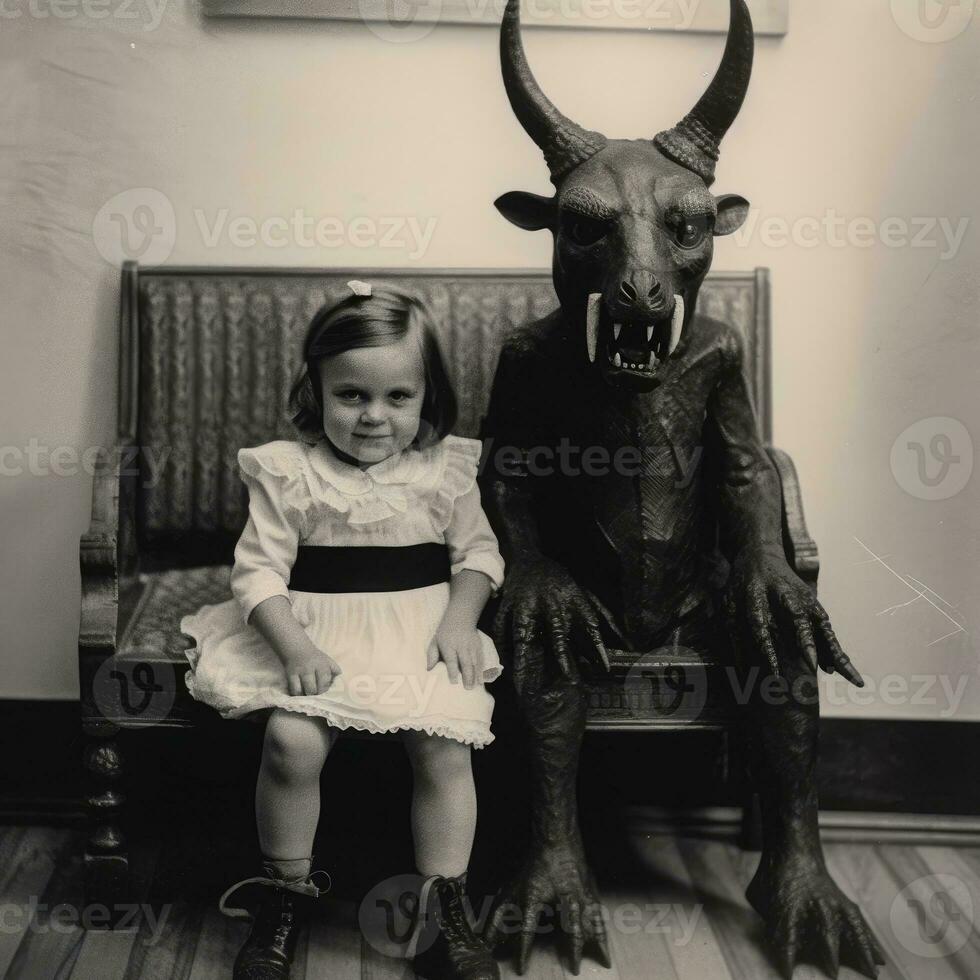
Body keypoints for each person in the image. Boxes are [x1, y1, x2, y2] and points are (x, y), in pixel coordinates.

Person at [179, 280, 504, 980]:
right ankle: (283, 895)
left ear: (427, 395)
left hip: (419, 629)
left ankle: (443, 904)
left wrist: (458, 619)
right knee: (291, 742)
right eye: (351, 395)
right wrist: (295, 647)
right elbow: (258, 575)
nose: (373, 418)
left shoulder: (444, 471)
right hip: (315, 630)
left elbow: (478, 555)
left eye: (398, 398)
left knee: (444, 747)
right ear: (317, 390)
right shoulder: (288, 473)